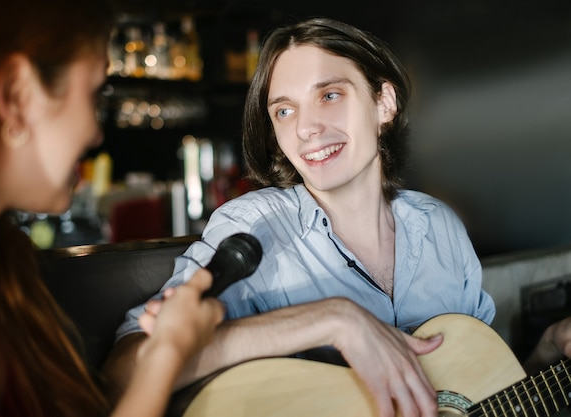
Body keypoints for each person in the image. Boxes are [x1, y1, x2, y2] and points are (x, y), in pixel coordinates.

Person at [103, 16, 571, 417]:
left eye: (329, 95)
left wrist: (548, 353)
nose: (305, 128)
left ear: (383, 103)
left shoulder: (441, 227)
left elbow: (478, 395)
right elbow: (125, 376)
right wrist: (332, 318)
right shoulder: (256, 228)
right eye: (284, 111)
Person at [0, 1, 223, 417]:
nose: (96, 134)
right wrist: (166, 355)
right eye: (95, 93)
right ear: (17, 94)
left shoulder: (4, 272)